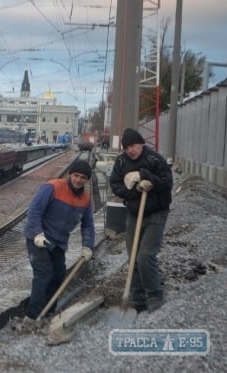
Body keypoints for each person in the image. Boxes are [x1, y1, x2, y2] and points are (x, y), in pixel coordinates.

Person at [20, 160, 95, 328]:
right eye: (76, 175)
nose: (78, 180)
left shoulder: (85, 199)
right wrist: (36, 233)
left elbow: (88, 224)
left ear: (87, 180)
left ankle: (49, 312)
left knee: (59, 275)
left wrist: (87, 246)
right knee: (44, 274)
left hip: (59, 242)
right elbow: (34, 211)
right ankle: (32, 317)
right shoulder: (52, 187)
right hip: (40, 237)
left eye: (83, 177)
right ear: (70, 174)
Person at [109, 128, 172, 312]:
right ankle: (137, 299)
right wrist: (133, 191)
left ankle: (154, 295)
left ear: (141, 144)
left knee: (146, 255)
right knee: (134, 257)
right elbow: (115, 184)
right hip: (135, 213)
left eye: (133, 146)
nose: (130, 150)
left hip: (157, 212)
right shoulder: (121, 162)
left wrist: (147, 177)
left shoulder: (153, 158)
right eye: (127, 147)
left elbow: (167, 182)